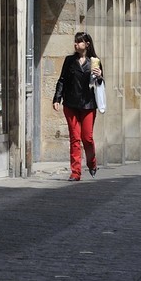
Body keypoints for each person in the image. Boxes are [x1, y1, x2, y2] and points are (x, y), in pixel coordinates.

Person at [52, 31, 104, 180]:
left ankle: (92, 163)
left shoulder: (95, 61)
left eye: (79, 42)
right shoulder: (69, 60)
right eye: (75, 41)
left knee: (87, 138)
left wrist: (99, 75)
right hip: (71, 103)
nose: (76, 44)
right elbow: (62, 80)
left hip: (88, 104)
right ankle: (75, 172)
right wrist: (57, 98)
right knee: (75, 138)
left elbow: (100, 85)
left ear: (86, 44)